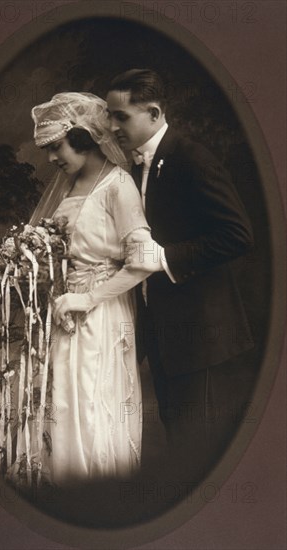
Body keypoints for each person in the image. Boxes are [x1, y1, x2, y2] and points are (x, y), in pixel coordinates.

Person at [0, 92, 153, 488]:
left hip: (102, 314)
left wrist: (88, 298)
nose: (51, 158)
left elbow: (143, 260)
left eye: (56, 147)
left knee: (91, 408)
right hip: (61, 312)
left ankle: (97, 501)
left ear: (82, 137)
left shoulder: (118, 185)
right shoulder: (69, 186)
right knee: (59, 405)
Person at [104, 69, 255, 483]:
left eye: (121, 117)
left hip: (203, 334)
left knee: (199, 452)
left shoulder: (191, 156)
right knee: (179, 443)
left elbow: (238, 235)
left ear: (153, 113)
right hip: (166, 333)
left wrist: (166, 256)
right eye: (109, 117)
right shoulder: (132, 168)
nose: (112, 126)